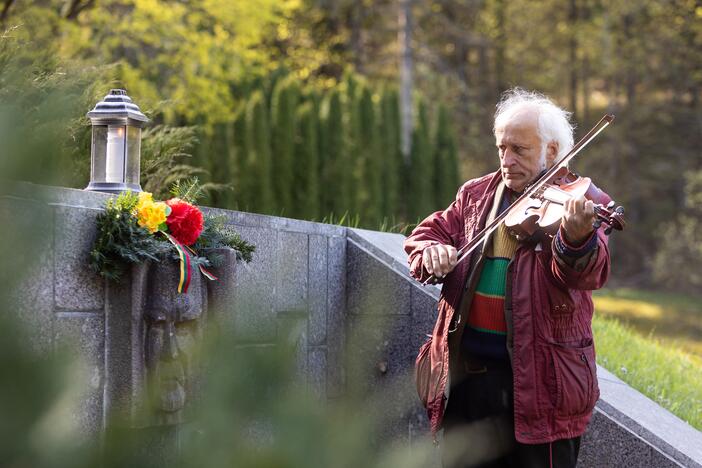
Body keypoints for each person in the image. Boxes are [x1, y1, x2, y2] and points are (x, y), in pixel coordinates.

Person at [404, 88, 612, 468]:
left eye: (520, 150)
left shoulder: (578, 201)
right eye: (502, 148)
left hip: (541, 389)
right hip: (466, 384)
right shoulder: (476, 194)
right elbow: (427, 234)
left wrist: (576, 239)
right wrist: (430, 252)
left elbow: (588, 272)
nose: (507, 159)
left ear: (552, 150)